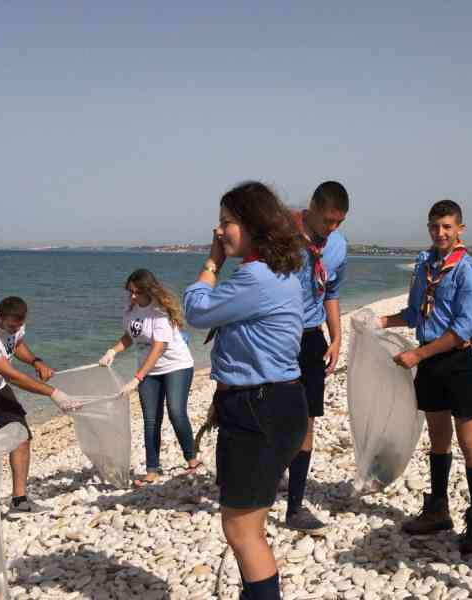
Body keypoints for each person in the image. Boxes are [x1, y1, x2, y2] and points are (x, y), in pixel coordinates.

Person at [183, 181, 307, 600]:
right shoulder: (284, 271)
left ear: (254, 226)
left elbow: (196, 310)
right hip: (279, 402)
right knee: (251, 526)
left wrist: (211, 264)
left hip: (259, 407)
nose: (219, 232)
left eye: (227, 223)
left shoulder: (255, 278)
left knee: (241, 530)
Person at [379, 199, 472, 554]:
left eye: (447, 226)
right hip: (430, 362)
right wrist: (379, 321)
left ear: (460, 229)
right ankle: (438, 510)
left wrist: (417, 354)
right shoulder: (425, 264)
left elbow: (463, 329)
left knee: (469, 442)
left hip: (458, 362)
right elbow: (415, 313)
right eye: (434, 226)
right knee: (438, 438)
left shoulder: (469, 272)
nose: (440, 233)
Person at [0, 296, 80, 516]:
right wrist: (54, 393)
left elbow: (17, 344)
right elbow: (12, 376)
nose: (16, 328)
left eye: (20, 324)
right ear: (0, 317)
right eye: (12, 325)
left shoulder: (16, 324)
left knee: (22, 437)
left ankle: (19, 501)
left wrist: (36, 361)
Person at [284, 181, 349, 533]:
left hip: (311, 337)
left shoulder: (338, 246)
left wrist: (337, 336)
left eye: (339, 222)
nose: (332, 228)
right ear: (311, 208)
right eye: (328, 221)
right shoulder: (283, 234)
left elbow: (332, 291)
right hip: (276, 335)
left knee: (307, 418)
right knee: (271, 411)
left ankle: (294, 506)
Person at [98, 269, 198, 486]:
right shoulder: (131, 310)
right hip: (149, 370)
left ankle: (192, 460)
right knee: (151, 419)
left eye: (136, 292)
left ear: (148, 291)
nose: (132, 296)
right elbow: (130, 336)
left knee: (176, 412)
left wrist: (136, 378)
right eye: (130, 292)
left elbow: (158, 347)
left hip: (176, 366)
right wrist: (112, 351)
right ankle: (152, 469)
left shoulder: (159, 312)